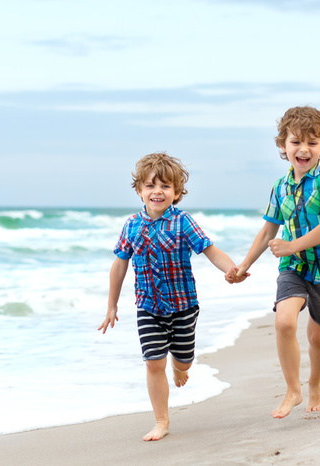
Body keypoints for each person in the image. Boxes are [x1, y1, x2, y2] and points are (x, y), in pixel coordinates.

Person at [98, 152, 237, 441]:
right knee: (152, 362)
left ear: (177, 193)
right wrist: (111, 305)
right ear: (139, 191)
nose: (157, 191)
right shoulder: (132, 225)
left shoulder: (183, 222)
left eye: (165, 186)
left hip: (183, 307)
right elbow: (120, 264)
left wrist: (231, 270)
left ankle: (180, 366)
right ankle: (161, 420)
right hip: (147, 307)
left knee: (184, 360)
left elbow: (209, 249)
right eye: (150, 186)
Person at [227, 106, 320, 419]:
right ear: (283, 146)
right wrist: (243, 266)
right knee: (284, 321)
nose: (303, 149)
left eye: (312, 142)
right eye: (296, 142)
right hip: (293, 266)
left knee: (318, 336)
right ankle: (293, 389)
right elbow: (268, 228)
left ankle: (315, 383)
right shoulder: (280, 186)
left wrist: (292, 244)